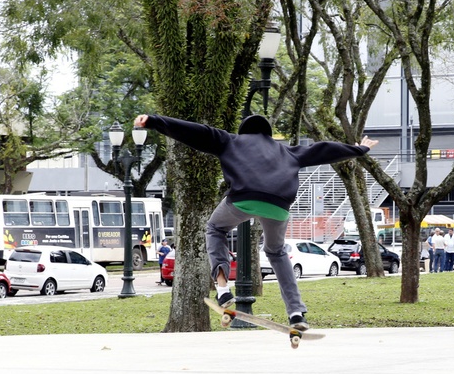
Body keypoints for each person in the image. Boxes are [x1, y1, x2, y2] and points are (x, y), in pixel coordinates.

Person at [134, 113, 377, 330]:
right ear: (268, 134)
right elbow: (323, 150)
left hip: (243, 199)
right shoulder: (287, 150)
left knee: (215, 228)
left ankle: (222, 287)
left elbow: (195, 131)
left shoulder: (231, 141)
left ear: (244, 131)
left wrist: (155, 121)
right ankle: (295, 312)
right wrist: (358, 149)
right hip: (278, 206)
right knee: (277, 252)